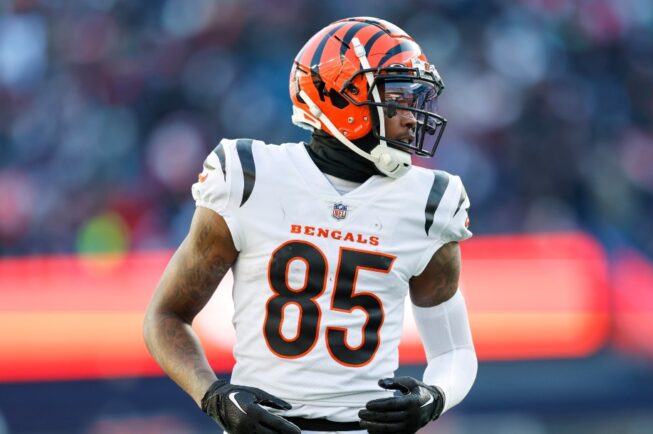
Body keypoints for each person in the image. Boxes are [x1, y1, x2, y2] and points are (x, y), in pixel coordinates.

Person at [143, 16, 477, 434]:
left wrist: (434, 397)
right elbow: (166, 316)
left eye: (416, 98)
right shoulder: (248, 177)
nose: (413, 116)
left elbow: (455, 350)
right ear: (343, 100)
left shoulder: (429, 202)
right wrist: (213, 397)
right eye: (397, 98)